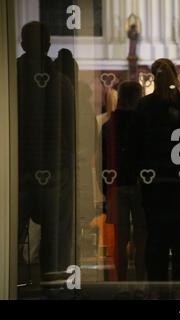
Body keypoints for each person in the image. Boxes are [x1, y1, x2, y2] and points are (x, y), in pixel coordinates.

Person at [17, 21, 76, 279]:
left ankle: (9, 281)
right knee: (54, 234)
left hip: (17, 166)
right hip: (55, 167)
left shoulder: (11, 78)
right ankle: (52, 284)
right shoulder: (60, 83)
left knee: (12, 232)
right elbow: (70, 131)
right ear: (48, 44)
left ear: (22, 44)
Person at [136, 59, 180, 281]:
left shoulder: (144, 106)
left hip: (153, 181)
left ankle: (157, 285)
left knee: (156, 236)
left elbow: (138, 147)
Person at [102, 81, 147, 281]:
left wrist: (105, 189)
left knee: (120, 239)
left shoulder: (108, 124)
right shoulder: (142, 122)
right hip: (140, 185)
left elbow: (104, 157)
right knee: (141, 237)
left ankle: (120, 281)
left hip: (116, 185)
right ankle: (140, 279)